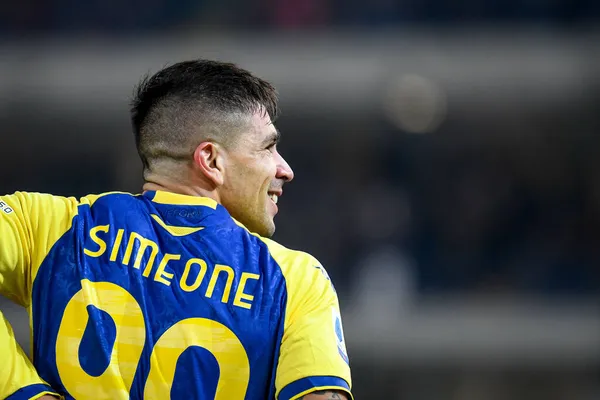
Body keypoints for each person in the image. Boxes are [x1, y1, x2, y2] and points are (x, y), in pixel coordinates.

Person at [0, 60, 352, 400]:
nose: (285, 169)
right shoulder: (294, 281)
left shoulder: (48, 225)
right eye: (268, 148)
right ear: (211, 161)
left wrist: (22, 391)